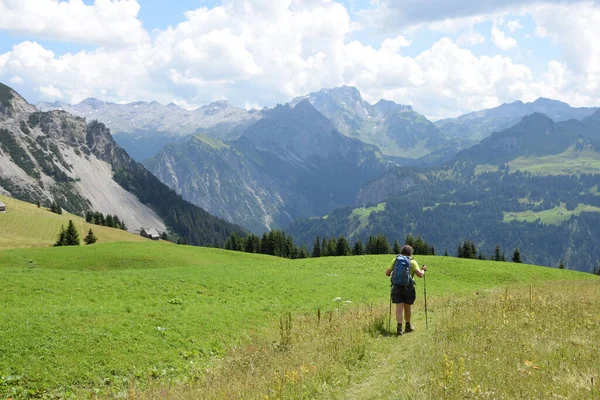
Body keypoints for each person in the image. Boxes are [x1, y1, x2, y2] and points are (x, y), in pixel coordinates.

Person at [385, 244, 426, 335]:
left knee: (399, 308)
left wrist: (394, 274)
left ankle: (399, 329)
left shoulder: (395, 260)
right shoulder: (413, 262)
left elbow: (387, 273)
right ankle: (408, 326)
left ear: (401, 252)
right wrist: (424, 270)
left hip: (396, 287)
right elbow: (420, 275)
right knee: (407, 307)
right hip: (408, 288)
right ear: (411, 253)